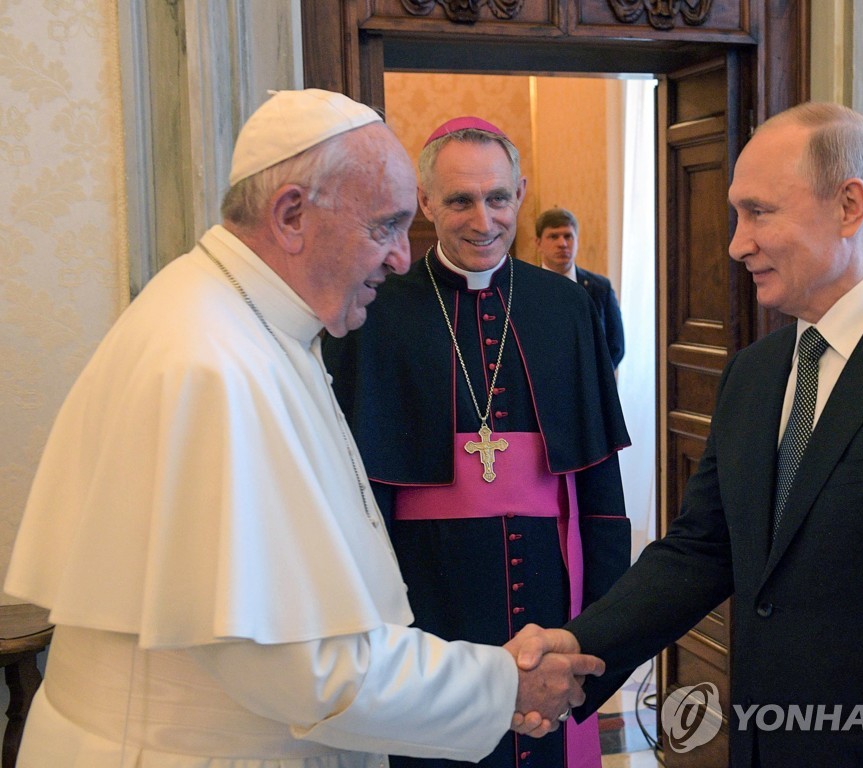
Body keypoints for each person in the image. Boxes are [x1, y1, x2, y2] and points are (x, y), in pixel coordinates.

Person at [3, 89, 605, 767]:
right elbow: (309, 672)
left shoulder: (239, 322)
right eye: (385, 227)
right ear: (291, 214)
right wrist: (504, 683)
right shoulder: (215, 365)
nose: (403, 259)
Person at [558, 102, 863, 767]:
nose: (736, 243)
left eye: (760, 212)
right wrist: (578, 650)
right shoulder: (754, 372)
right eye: (736, 216)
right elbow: (701, 549)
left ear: (849, 206)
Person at [322, 116, 632, 768]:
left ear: (519, 192)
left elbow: (600, 478)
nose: (482, 219)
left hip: (547, 583)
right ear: (426, 202)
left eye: (497, 198)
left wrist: (608, 616)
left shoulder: (566, 306)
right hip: (426, 589)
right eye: (460, 201)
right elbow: (357, 489)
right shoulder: (379, 307)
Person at [536, 206, 625, 368]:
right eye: (553, 236)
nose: (562, 244)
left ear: (577, 241)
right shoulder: (525, 288)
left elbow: (616, 345)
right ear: (538, 243)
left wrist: (596, 381)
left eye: (568, 236)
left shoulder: (600, 288)